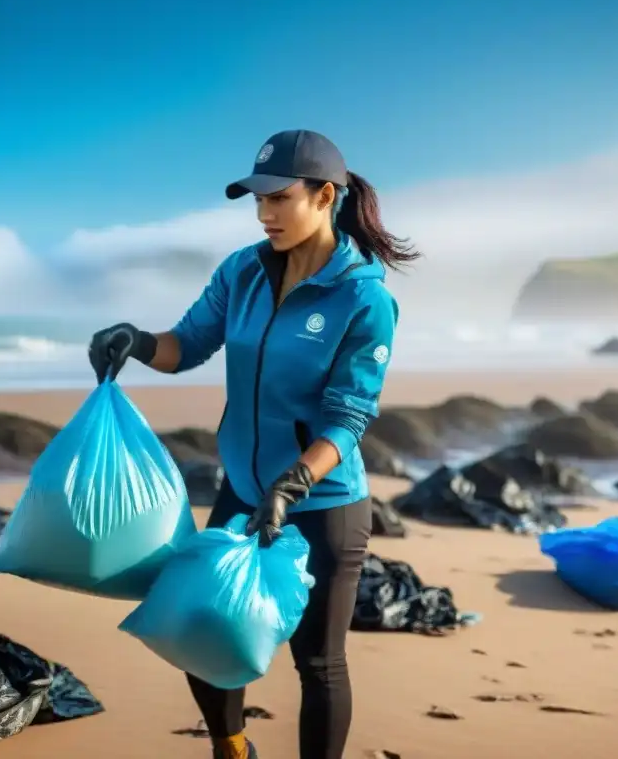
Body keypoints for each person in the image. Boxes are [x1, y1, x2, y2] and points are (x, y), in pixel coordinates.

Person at [87, 129, 418, 759]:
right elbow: (187, 344)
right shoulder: (242, 270)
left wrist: (293, 484)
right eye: (256, 201)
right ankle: (232, 747)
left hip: (323, 504)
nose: (264, 214)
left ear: (325, 196)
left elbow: (348, 416)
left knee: (317, 663)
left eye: (278, 198)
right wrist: (134, 338)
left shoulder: (363, 297)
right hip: (243, 488)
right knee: (203, 626)